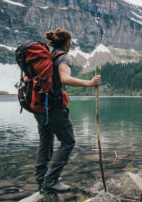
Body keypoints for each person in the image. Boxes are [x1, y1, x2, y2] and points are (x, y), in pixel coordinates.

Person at [34, 28, 101, 194]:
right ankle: (51, 180)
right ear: (67, 42)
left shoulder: (48, 57)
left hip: (39, 106)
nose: (71, 44)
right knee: (68, 141)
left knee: (46, 143)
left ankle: (42, 180)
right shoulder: (63, 56)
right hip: (54, 108)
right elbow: (65, 78)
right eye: (70, 41)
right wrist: (89, 83)